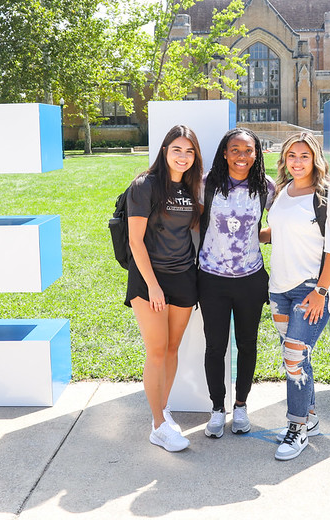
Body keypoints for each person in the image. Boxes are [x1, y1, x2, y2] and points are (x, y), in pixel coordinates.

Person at [261, 132, 330, 461]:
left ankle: (296, 428)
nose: (297, 162)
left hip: (312, 289)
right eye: (291, 156)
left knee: (293, 357)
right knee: (298, 356)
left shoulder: (329, 196)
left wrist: (321, 291)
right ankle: (310, 416)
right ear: (284, 159)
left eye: (304, 156)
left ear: (315, 159)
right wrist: (253, 233)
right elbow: (280, 229)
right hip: (279, 289)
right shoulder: (283, 192)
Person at [126, 125, 203, 452]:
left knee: (172, 349)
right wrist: (153, 287)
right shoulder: (145, 186)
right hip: (149, 279)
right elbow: (135, 241)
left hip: (184, 276)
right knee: (156, 351)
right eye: (177, 150)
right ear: (164, 151)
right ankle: (158, 425)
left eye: (189, 151)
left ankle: (164, 409)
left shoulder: (190, 187)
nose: (183, 157)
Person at [198, 128, 276, 439]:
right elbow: (192, 222)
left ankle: (241, 406)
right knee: (215, 346)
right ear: (225, 152)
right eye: (235, 150)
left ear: (256, 154)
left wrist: (256, 236)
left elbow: (284, 222)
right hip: (212, 278)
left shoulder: (265, 187)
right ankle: (218, 409)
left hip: (250, 279)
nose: (241, 156)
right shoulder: (206, 184)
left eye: (248, 150)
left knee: (247, 344)